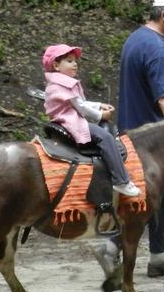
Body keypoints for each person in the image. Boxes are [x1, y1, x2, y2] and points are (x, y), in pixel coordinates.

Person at [96, 0, 164, 278]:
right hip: (149, 139)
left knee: (159, 193)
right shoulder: (156, 48)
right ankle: (113, 246)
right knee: (150, 196)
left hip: (130, 132)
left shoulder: (135, 39)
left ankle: (157, 256)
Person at [43, 43, 140, 198]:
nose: (75, 64)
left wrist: (99, 105)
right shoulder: (64, 84)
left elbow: (79, 102)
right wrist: (101, 116)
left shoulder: (56, 83)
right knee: (106, 137)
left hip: (62, 120)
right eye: (69, 61)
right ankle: (121, 181)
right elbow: (80, 107)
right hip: (69, 121)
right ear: (56, 65)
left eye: (75, 61)